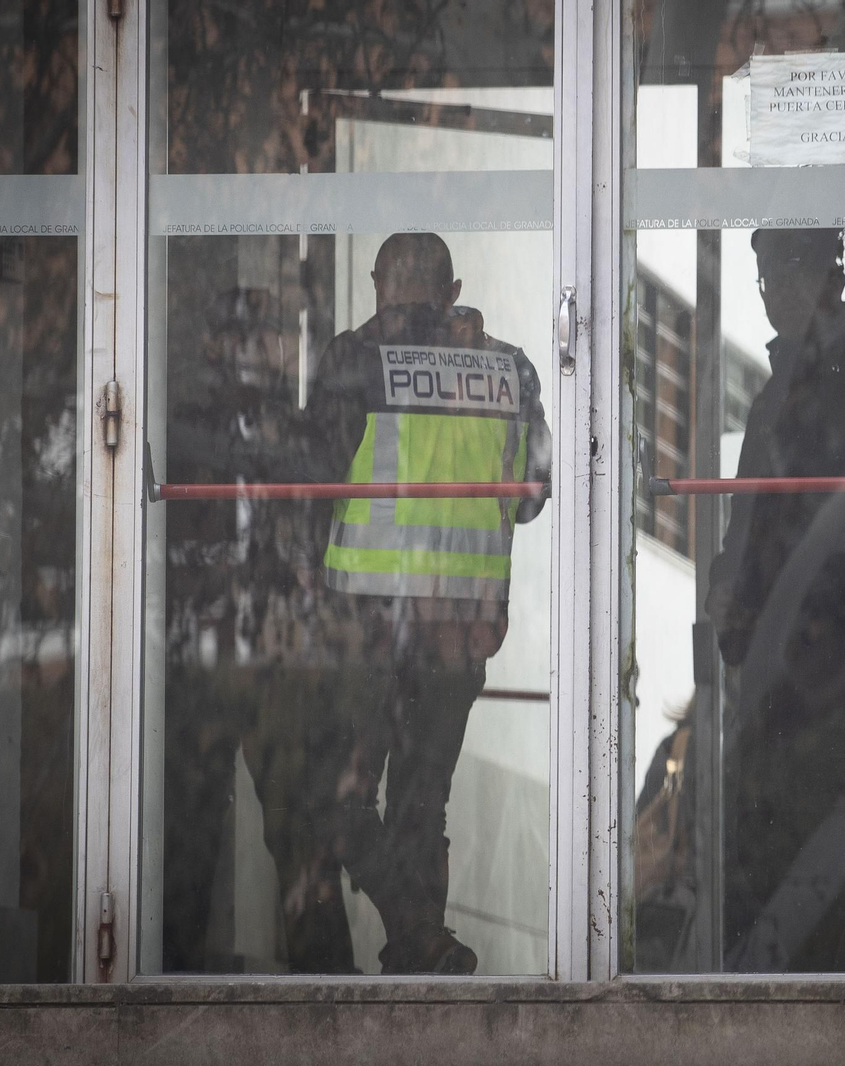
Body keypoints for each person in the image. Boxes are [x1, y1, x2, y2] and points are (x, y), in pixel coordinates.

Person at [302, 232, 551, 974]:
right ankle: (421, 953)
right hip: (462, 631)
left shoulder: (355, 360)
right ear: (451, 288)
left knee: (336, 800)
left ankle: (418, 936)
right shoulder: (511, 369)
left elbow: (307, 482)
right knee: (422, 805)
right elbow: (535, 496)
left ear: (380, 283)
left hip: (368, 626)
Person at [706, 228, 845, 970]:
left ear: (822, 277)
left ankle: (824, 990)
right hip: (766, 640)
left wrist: (815, 616)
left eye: (781, 278)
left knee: (812, 815)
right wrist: (725, 585)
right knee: (754, 814)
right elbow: (751, 515)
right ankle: (754, 976)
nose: (770, 295)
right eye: (762, 280)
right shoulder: (777, 383)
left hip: (823, 642)